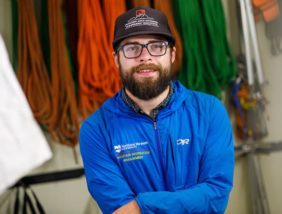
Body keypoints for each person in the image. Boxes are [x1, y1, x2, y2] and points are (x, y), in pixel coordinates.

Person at [79, 6, 234, 214]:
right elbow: (121, 210)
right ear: (116, 59)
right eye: (132, 48)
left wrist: (141, 205)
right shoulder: (96, 130)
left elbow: (216, 195)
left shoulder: (209, 112)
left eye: (157, 46)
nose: (145, 57)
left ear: (171, 54)